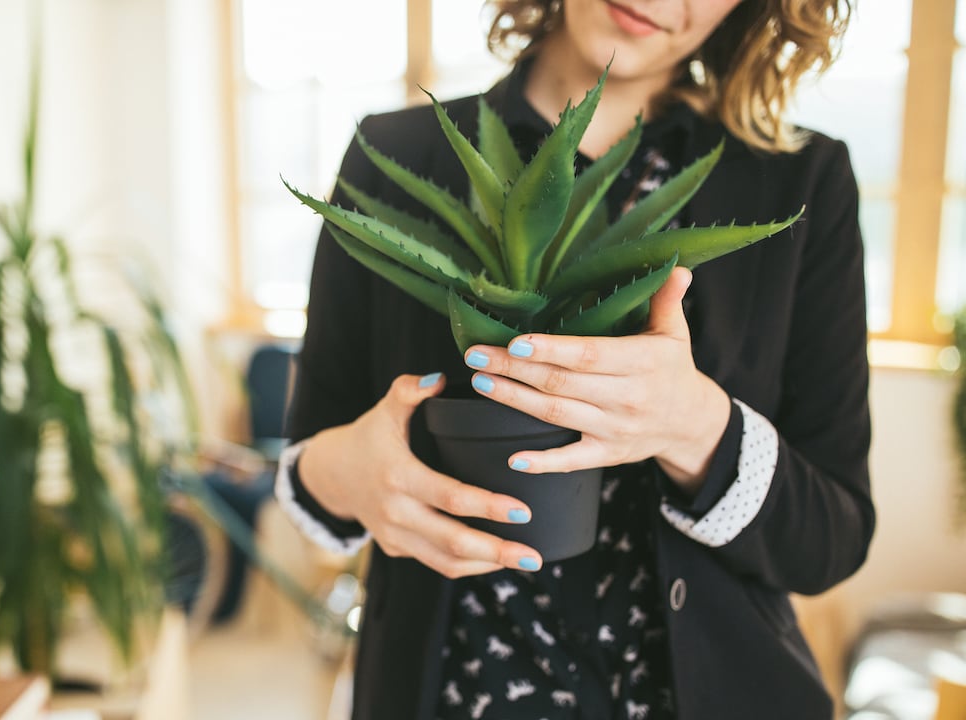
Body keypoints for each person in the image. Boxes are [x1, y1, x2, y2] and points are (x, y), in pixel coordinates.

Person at [274, 0, 873, 717]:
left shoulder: (800, 181)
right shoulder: (400, 152)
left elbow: (832, 541)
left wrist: (696, 428)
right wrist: (348, 473)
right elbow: (310, 461)